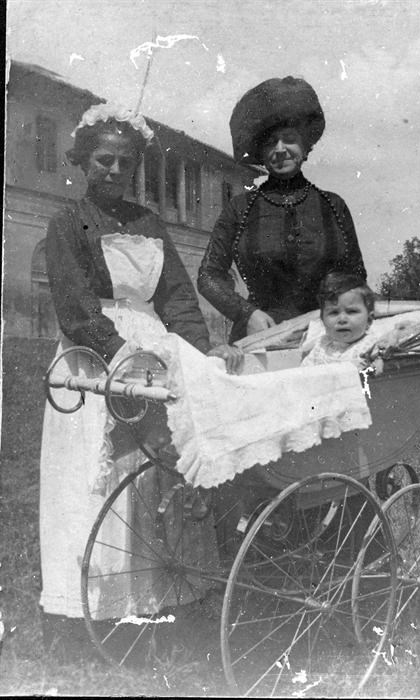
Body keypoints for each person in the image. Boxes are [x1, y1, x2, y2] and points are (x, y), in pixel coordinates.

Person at [39, 103, 242, 652]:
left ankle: (162, 597)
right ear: (83, 160)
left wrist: (200, 355)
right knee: (103, 473)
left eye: (124, 162)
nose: (113, 170)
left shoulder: (150, 224)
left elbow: (177, 298)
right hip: (95, 357)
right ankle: (94, 605)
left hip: (154, 350)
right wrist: (123, 354)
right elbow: (76, 307)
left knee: (156, 468)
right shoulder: (68, 223)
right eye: (103, 160)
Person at [197, 76, 367, 341]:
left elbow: (355, 278)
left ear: (306, 146)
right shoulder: (239, 209)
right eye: (270, 143)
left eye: (289, 139)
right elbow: (208, 276)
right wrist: (247, 313)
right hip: (258, 335)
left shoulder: (333, 206)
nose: (280, 150)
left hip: (324, 336)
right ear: (261, 154)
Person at [301, 272, 380, 370]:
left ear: (369, 320)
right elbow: (304, 372)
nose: (342, 320)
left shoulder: (371, 346)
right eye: (334, 312)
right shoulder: (321, 345)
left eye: (351, 311)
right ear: (323, 320)